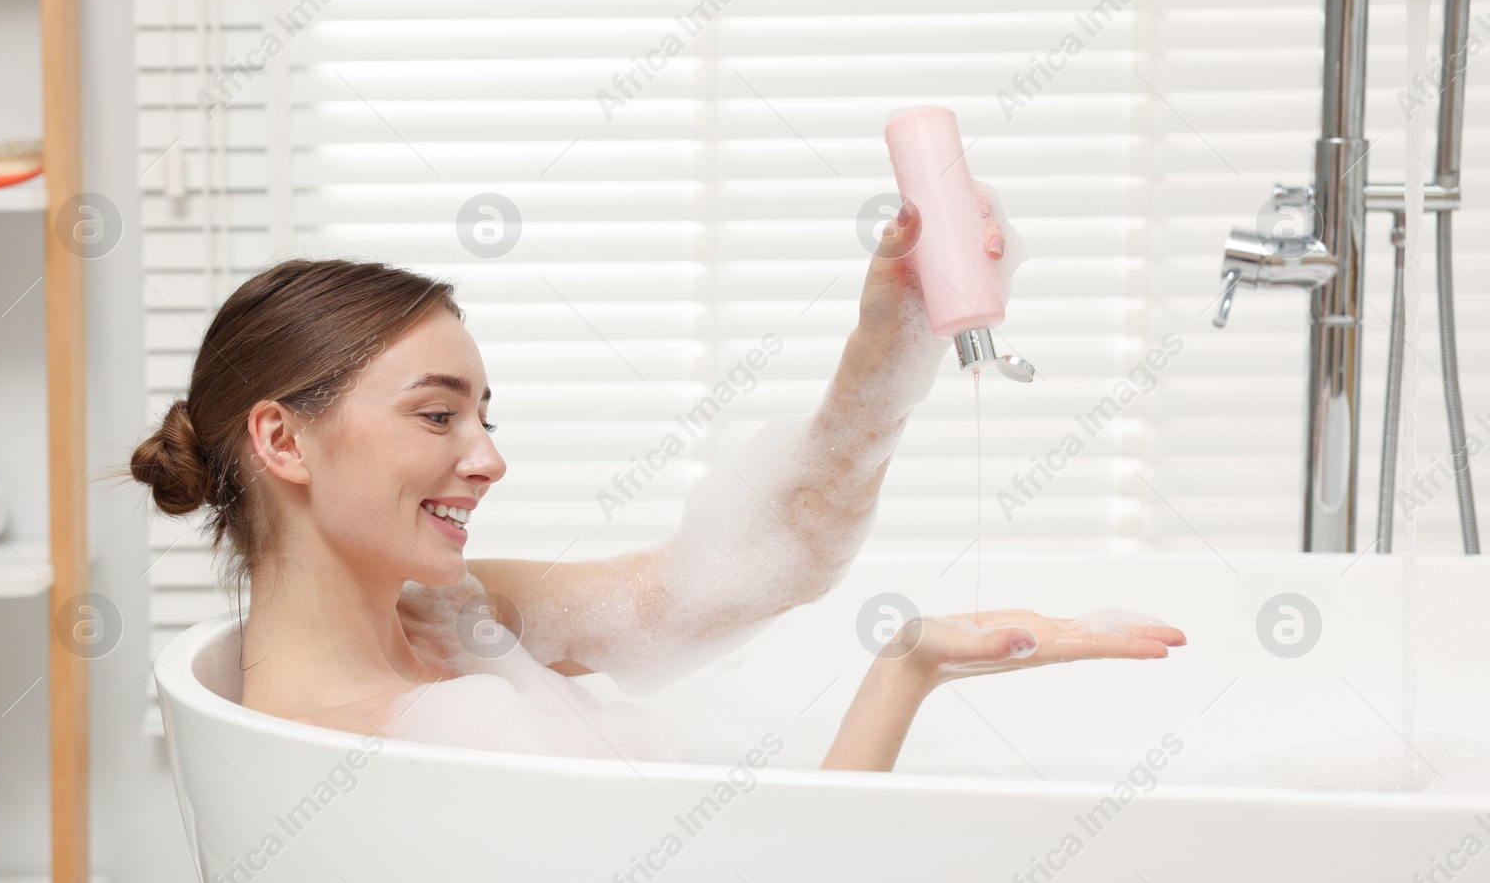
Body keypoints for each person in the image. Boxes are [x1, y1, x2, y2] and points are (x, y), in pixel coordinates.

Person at [126, 190, 1184, 772]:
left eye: (485, 414)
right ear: (281, 440)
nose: (487, 454)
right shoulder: (370, 762)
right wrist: (903, 676)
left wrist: (883, 349)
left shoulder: (451, 617)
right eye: (437, 412)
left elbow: (721, 576)